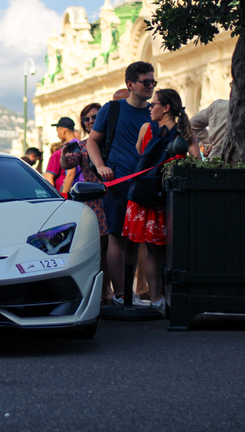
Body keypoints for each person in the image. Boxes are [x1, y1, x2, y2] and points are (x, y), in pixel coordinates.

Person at [122, 89, 201, 315]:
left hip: (144, 198)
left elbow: (140, 155)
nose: (150, 107)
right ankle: (168, 296)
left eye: (154, 104)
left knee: (151, 252)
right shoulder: (185, 132)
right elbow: (195, 161)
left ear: (165, 108)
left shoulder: (147, 130)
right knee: (168, 252)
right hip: (169, 199)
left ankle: (156, 300)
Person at [86, 61, 156, 306]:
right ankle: (119, 295)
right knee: (116, 236)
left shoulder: (155, 111)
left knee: (136, 239)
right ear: (130, 84)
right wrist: (101, 166)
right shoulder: (112, 109)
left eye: (153, 82)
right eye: (145, 82)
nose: (150, 86)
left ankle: (130, 293)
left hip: (146, 184)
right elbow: (92, 141)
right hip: (118, 183)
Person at [60, 103, 112, 304]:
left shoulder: (113, 141)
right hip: (92, 204)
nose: (90, 121)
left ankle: (113, 292)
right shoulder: (81, 146)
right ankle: (99, 292)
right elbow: (69, 164)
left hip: (114, 198)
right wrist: (64, 157)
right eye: (86, 119)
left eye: (95, 117)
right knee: (97, 250)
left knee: (113, 249)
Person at [45, 117, 79, 195]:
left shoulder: (71, 146)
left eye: (58, 131)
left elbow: (71, 173)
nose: (57, 135)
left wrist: (64, 196)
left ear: (63, 130)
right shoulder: (79, 144)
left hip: (76, 190)